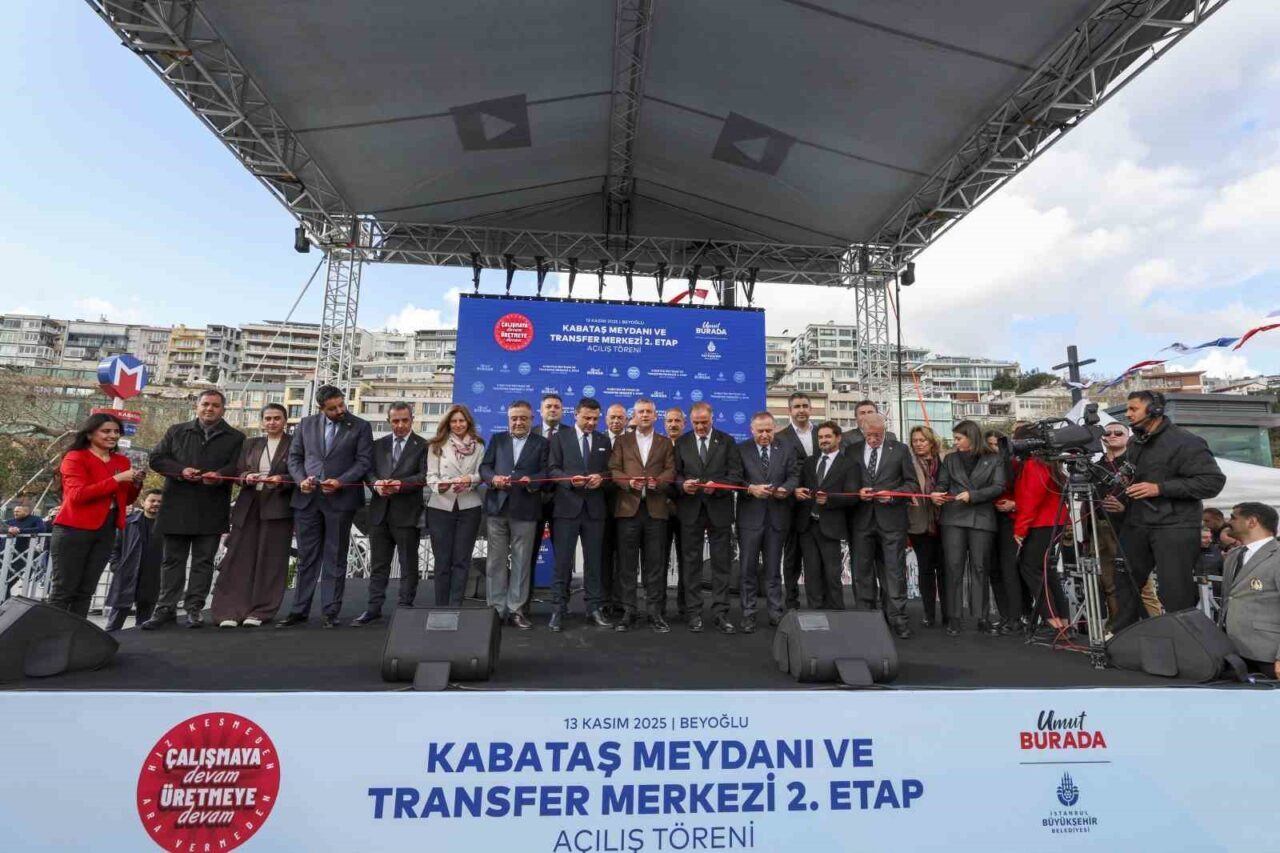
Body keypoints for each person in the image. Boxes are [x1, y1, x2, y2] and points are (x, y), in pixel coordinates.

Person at [1111, 391, 1225, 631]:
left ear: (1155, 410)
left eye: (1133, 409)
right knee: (1124, 578)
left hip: (1175, 526)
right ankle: (1124, 634)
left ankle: (1181, 639)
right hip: (1138, 522)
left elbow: (1212, 482)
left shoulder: (1186, 441)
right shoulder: (1135, 442)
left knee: (1175, 590)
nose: (1128, 414)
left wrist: (1159, 488)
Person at [144, 390, 245, 629]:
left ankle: (194, 609)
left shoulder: (236, 437)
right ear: (197, 406)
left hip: (212, 507)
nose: (210, 409)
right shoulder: (176, 431)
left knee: (204, 562)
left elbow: (239, 466)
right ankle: (165, 609)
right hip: (176, 506)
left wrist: (220, 475)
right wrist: (181, 471)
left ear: (223, 409)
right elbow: (156, 458)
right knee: (172, 561)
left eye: (215, 405)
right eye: (205, 404)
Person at [279, 384, 373, 629]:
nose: (340, 410)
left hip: (341, 501)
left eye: (342, 404)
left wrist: (341, 482)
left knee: (336, 557)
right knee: (306, 558)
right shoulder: (306, 424)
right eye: (333, 408)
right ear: (321, 408)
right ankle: (299, 610)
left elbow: (363, 462)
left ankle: (330, 611)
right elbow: (295, 458)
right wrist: (301, 481)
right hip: (307, 500)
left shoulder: (361, 426)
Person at [49, 414, 143, 617]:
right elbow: (77, 495)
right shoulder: (75, 457)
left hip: (107, 529)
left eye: (116, 432)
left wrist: (136, 483)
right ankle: (51, 634)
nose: (113, 436)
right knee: (64, 590)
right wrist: (117, 479)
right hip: (73, 529)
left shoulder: (122, 461)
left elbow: (125, 499)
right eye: (106, 431)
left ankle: (76, 633)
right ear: (90, 434)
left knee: (86, 591)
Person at [210, 403, 295, 628]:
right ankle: (229, 610)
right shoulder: (250, 443)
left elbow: (300, 473)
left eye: (277, 418)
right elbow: (238, 471)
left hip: (278, 507)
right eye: (268, 418)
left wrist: (282, 479)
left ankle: (261, 611)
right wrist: (247, 476)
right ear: (262, 421)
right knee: (239, 558)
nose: (272, 422)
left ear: (285, 421)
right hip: (249, 505)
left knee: (271, 560)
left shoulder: (295, 443)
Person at [352, 403, 427, 625]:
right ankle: (373, 608)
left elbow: (424, 476)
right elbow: (368, 472)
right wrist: (376, 484)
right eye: (395, 421)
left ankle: (405, 607)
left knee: (408, 564)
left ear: (412, 419)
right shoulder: (377, 445)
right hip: (379, 513)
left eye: (404, 420)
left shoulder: (424, 446)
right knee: (378, 565)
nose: (400, 425)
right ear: (388, 421)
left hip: (407, 513)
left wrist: (400, 485)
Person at [673, 401, 744, 633]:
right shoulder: (682, 442)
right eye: (696, 423)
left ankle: (721, 613)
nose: (700, 427)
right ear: (690, 421)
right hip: (690, 509)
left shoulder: (727, 441)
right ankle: (693, 613)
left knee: (721, 564)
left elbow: (736, 475)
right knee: (691, 564)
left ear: (713, 419)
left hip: (719, 509)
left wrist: (719, 486)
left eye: (704, 422)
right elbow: (675, 474)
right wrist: (683, 485)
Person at [848, 413, 920, 639]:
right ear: (862, 431)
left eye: (877, 435)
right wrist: (857, 491)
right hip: (861, 520)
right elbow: (845, 483)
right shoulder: (851, 451)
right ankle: (865, 618)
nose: (873, 440)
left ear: (885, 431)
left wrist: (893, 495)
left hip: (892, 520)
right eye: (869, 435)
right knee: (862, 571)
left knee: (894, 571)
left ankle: (897, 618)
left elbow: (912, 484)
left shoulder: (899, 450)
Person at [932, 420, 1006, 636]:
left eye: (958, 438)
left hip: (981, 519)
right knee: (953, 567)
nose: (955, 442)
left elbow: (999, 487)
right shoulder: (950, 459)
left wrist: (973, 495)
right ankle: (954, 618)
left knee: (980, 568)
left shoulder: (994, 458)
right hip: (953, 518)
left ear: (971, 437)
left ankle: (982, 617)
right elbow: (942, 484)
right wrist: (937, 495)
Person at [608, 398, 676, 632]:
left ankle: (654, 613)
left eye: (649, 412)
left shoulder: (665, 443)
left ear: (655, 416)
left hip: (656, 510)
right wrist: (628, 482)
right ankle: (628, 611)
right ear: (633, 416)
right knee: (627, 565)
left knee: (655, 565)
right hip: (628, 509)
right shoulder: (622, 441)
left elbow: (671, 470)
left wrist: (659, 482)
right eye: (641, 412)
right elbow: (614, 469)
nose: (645, 415)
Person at [546, 397, 613, 631]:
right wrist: (568, 480)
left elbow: (610, 472)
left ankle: (594, 608)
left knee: (594, 562)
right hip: (566, 508)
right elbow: (552, 469)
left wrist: (601, 478)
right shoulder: (559, 438)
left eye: (595, 419)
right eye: (587, 418)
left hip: (595, 511)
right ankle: (558, 609)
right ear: (575, 415)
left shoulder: (604, 440)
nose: (591, 423)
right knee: (562, 563)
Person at [479, 400, 548, 628]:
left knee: (522, 561)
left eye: (523, 418)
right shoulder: (497, 439)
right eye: (514, 418)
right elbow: (485, 467)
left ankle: (516, 610)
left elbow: (546, 472)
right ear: (508, 419)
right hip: (497, 508)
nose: (518, 422)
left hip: (526, 509)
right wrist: (493, 479)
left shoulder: (542, 443)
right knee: (495, 562)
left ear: (532, 419)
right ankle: (496, 610)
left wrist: (532, 480)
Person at [736, 412, 800, 631]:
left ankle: (776, 613)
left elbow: (794, 475)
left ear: (775, 428)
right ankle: (748, 614)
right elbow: (734, 478)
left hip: (777, 518)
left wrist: (786, 489)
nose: (765, 435)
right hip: (749, 519)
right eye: (760, 431)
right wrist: (750, 489)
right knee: (748, 570)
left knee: (773, 570)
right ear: (751, 430)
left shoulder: (787, 448)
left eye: (769, 430)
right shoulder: (741, 449)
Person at [425, 404, 485, 607]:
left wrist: (469, 480)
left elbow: (481, 474)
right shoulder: (436, 445)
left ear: (468, 422)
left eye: (461, 420)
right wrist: (439, 486)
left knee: (462, 559)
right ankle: (441, 606)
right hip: (440, 507)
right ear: (448, 424)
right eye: (454, 421)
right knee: (442, 560)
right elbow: (431, 476)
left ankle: (456, 605)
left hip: (469, 507)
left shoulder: (479, 445)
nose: (458, 424)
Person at [1012, 429, 1071, 634]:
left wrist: (1020, 529)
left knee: (1031, 569)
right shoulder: (1049, 462)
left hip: (1042, 523)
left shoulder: (1034, 464)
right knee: (1047, 571)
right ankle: (1062, 619)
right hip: (1053, 521)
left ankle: (1053, 619)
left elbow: (1031, 499)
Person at [794, 421, 857, 610]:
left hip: (831, 526)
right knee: (811, 573)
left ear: (838, 438)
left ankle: (836, 613)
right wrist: (797, 492)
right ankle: (815, 613)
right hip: (807, 526)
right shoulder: (809, 462)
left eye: (828, 436)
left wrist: (830, 499)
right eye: (820, 437)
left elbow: (853, 496)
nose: (823, 440)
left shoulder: (849, 465)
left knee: (832, 574)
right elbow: (800, 486)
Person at [1217, 503, 1280, 677]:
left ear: (1252, 521)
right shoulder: (1233, 555)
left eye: (1233, 517)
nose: (1228, 522)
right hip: (1233, 653)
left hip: (1268, 655)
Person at [774, 392, 820, 612]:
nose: (801, 410)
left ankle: (817, 604)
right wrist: (792, 491)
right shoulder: (780, 437)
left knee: (815, 559)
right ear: (789, 411)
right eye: (797, 406)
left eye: (804, 406)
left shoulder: (822, 433)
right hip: (791, 506)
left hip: (819, 505)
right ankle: (791, 602)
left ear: (810, 408)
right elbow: (779, 472)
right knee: (792, 557)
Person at [103, 490, 164, 631]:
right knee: (115, 621)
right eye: (152, 500)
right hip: (127, 574)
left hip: (153, 576)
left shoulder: (167, 526)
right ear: (143, 502)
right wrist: (116, 566)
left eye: (160, 502)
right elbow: (114, 547)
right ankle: (109, 641)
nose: (156, 504)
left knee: (145, 621)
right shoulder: (128, 523)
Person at [986, 428, 1024, 632]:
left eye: (997, 444)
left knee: (1009, 568)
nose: (994, 448)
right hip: (987, 519)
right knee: (994, 569)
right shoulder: (982, 464)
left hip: (1009, 520)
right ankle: (1005, 615)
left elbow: (1027, 493)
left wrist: (1015, 504)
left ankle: (1016, 617)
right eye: (990, 444)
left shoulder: (1015, 464)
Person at [528, 393, 565, 602]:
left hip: (563, 502)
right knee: (528, 553)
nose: (552, 409)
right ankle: (524, 601)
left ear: (562, 411)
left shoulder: (571, 434)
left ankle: (561, 601)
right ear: (540, 411)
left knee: (563, 555)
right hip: (533, 501)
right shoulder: (529, 433)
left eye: (556, 407)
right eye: (548, 406)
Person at [908, 426, 946, 627]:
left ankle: (948, 614)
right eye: (915, 440)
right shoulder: (908, 463)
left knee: (945, 570)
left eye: (922, 440)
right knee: (925, 569)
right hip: (919, 523)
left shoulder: (945, 460)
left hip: (945, 522)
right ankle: (929, 613)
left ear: (931, 442)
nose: (918, 444)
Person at [600, 402, 628, 617]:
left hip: (627, 505)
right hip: (600, 506)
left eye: (620, 417)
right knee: (603, 555)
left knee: (625, 556)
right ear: (606, 419)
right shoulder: (598, 440)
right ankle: (604, 599)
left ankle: (622, 600)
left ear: (626, 419)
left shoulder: (632, 441)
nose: (616, 421)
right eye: (612, 417)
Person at [662, 407, 688, 617]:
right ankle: (658, 605)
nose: (673, 424)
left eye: (677, 421)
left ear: (684, 424)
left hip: (687, 510)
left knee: (686, 559)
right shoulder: (658, 445)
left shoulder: (690, 445)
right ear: (664, 424)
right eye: (669, 421)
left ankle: (685, 604)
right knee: (659, 560)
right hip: (661, 510)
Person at [4, 498, 46, 593]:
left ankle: (5, 595)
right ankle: (5, 596)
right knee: (4, 577)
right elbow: (3, 528)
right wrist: (9, 530)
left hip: (25, 553)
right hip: (7, 552)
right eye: (14, 511)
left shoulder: (36, 519)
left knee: (13, 577)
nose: (15, 513)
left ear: (26, 512)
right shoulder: (10, 521)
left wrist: (20, 531)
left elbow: (41, 529)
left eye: (18, 511)